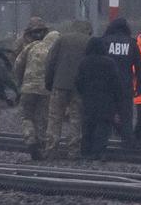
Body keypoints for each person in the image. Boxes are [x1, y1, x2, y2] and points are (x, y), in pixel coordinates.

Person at [43, 20, 92, 159]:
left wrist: (49, 82)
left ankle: (51, 149)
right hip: (79, 87)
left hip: (59, 84)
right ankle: (73, 151)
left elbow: (50, 62)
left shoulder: (62, 39)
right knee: (76, 119)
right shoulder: (89, 41)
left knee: (55, 118)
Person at [14, 30, 60, 160]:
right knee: (42, 117)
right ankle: (42, 145)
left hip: (28, 88)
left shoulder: (32, 46)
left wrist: (20, 81)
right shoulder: (54, 51)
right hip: (45, 90)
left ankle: (30, 138)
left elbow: (18, 63)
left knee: (26, 115)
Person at [75, 37, 123, 159]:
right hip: (106, 100)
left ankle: (86, 152)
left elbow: (78, 81)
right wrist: (117, 100)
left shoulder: (84, 62)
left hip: (88, 98)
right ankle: (99, 152)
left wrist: (83, 93)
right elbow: (116, 83)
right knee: (103, 126)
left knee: (88, 125)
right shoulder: (110, 63)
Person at [102, 18, 141, 149]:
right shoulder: (132, 43)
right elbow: (139, 67)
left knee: (105, 115)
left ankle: (102, 144)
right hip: (125, 86)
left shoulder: (104, 42)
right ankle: (128, 144)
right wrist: (140, 87)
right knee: (126, 117)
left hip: (107, 87)